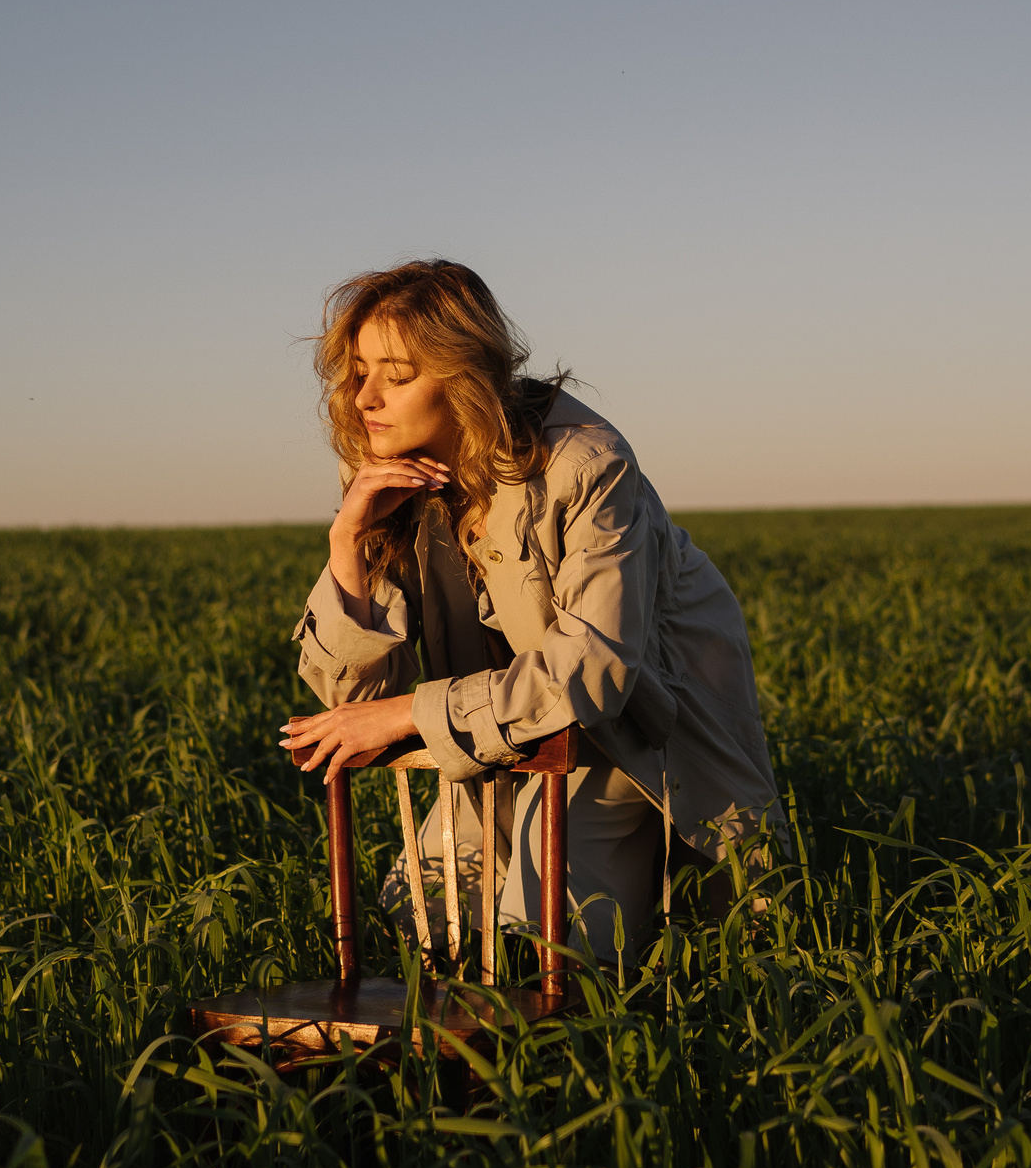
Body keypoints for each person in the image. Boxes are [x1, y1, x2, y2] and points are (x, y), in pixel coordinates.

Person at [279, 259, 780, 966]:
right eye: (358, 371)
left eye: (394, 374)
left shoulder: (586, 464)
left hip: (629, 739)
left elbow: (594, 671)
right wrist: (348, 544)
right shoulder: (387, 473)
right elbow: (355, 701)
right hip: (500, 735)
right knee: (426, 922)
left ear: (461, 377)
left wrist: (404, 714)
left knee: (552, 940)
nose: (365, 397)